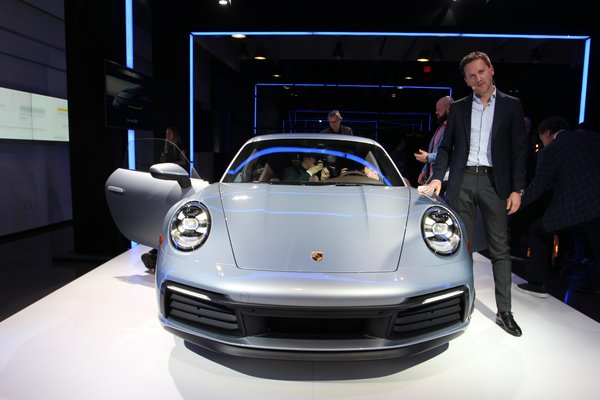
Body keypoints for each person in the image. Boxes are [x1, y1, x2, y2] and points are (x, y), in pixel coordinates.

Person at [418, 51, 529, 337]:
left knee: (499, 249)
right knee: (460, 247)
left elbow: (519, 151)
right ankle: (462, 305)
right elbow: (446, 149)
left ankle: (505, 312)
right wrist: (437, 177)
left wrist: (517, 189)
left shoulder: (511, 105)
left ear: (491, 70)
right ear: (466, 81)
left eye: (481, 72)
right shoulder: (458, 107)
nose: (477, 78)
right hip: (463, 180)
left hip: (495, 183)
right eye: (471, 75)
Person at [515, 116, 600, 296]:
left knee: (537, 230)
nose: (542, 144)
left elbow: (537, 187)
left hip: (578, 206)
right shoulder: (592, 137)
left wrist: (517, 203)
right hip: (593, 204)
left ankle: (536, 284)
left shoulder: (551, 150)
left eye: (542, 140)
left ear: (547, 133)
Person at [141, 126, 187, 272]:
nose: (167, 134)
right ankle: (156, 253)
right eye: (166, 133)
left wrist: (173, 165)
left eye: (169, 132)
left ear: (174, 134)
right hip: (165, 181)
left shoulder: (179, 146)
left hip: (176, 180)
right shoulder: (164, 146)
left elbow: (184, 161)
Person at [414, 95, 453, 192]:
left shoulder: (454, 128)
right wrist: (425, 170)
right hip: (433, 176)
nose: (436, 112)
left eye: (439, 109)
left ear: (448, 109)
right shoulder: (441, 127)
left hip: (445, 178)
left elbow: (449, 153)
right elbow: (434, 150)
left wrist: (428, 157)